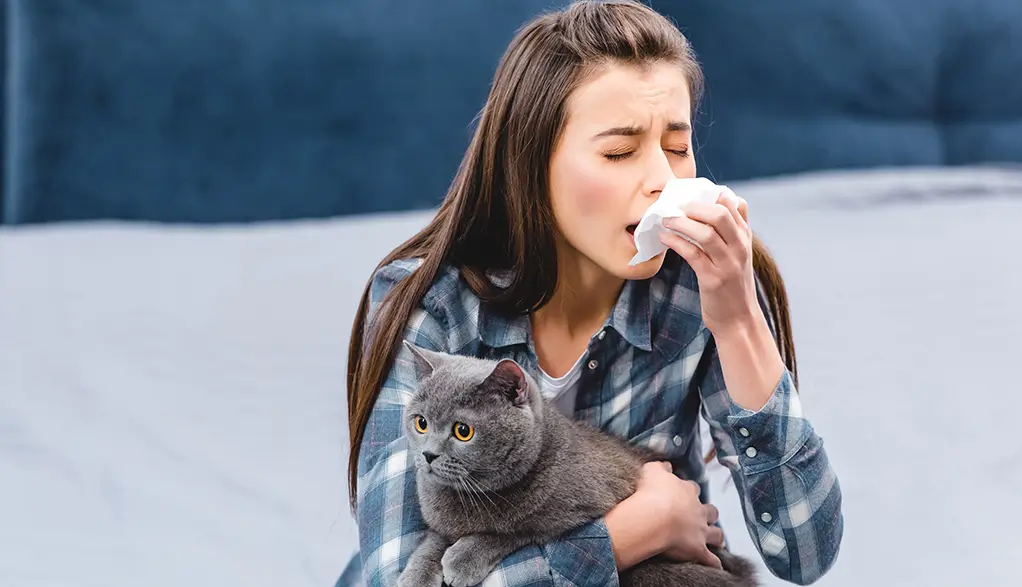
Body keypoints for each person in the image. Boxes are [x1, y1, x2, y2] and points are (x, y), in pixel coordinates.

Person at [338, 1, 843, 585]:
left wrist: (739, 322)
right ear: (531, 165)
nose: (662, 180)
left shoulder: (697, 290)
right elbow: (395, 575)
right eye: (619, 152)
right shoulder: (430, 303)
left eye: (677, 147)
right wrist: (631, 535)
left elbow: (805, 555)